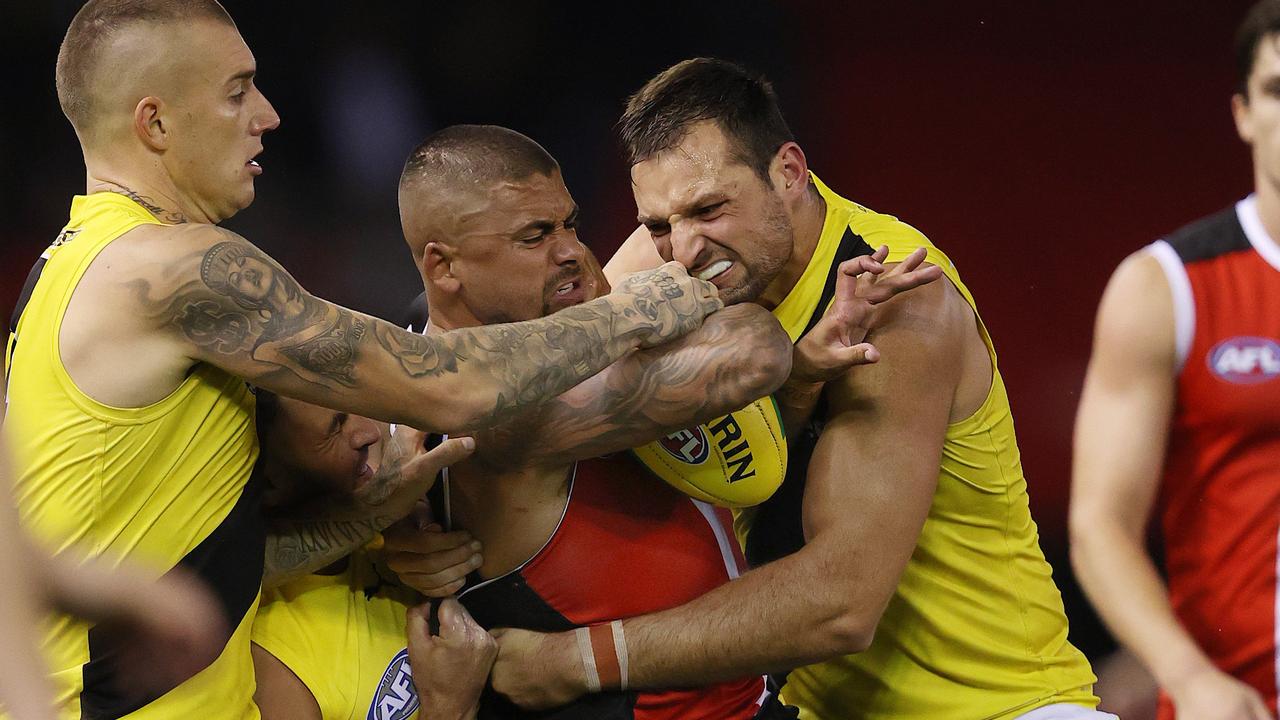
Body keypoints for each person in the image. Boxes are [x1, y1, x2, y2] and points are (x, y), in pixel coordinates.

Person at [4, 2, 720, 718]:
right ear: (155, 123)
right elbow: (452, 385)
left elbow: (141, 558)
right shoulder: (173, 270)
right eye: (236, 91)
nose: (268, 113)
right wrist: (635, 310)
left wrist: (341, 530)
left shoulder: (56, 281)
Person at [488, 58, 1106, 720]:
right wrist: (433, 513)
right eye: (660, 223)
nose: (686, 250)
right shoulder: (664, 263)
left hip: (1002, 707)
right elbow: (532, 406)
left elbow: (840, 604)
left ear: (788, 172)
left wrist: (578, 662)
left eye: (709, 209)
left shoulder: (897, 301)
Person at [1069, 2, 1280, 719]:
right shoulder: (1168, 286)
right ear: (1244, 113)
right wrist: (1188, 678)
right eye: (1279, 90)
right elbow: (1100, 527)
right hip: (1236, 702)